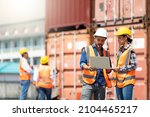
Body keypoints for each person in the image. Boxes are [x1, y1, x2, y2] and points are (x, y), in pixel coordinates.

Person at [80, 28, 112, 100]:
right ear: (94, 38)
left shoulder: (106, 53)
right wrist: (88, 67)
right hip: (88, 83)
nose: (100, 42)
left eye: (102, 40)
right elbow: (82, 64)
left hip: (101, 83)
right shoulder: (87, 49)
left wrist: (110, 68)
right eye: (98, 40)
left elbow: (108, 70)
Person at [112, 27, 137, 100]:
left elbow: (134, 65)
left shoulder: (131, 50)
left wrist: (120, 69)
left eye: (120, 38)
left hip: (127, 81)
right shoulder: (120, 50)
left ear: (125, 37)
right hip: (118, 81)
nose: (118, 40)